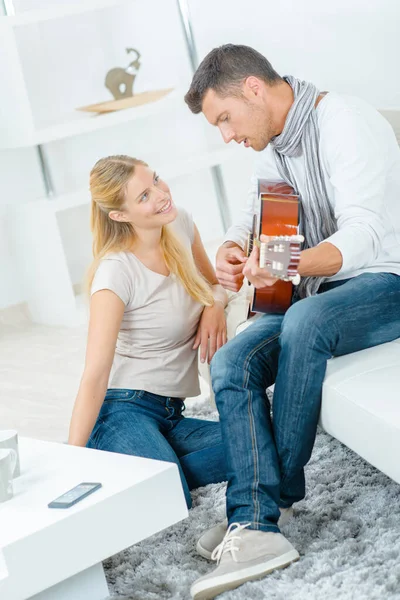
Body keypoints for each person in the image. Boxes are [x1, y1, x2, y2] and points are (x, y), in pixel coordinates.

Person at [184, 44, 400, 599]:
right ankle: (255, 522)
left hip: (384, 280)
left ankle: (268, 500)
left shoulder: (346, 121)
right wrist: (235, 246)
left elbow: (364, 235)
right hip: (317, 290)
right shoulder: (273, 144)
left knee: (304, 318)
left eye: (225, 118)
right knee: (233, 360)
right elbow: (253, 215)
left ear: (254, 88)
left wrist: (282, 263)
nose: (226, 135)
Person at [68, 155, 229, 509]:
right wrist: (70, 461)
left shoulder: (181, 223)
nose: (160, 194)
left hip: (172, 413)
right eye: (143, 196)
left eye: (155, 180)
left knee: (259, 444)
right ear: (120, 215)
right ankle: (116, 460)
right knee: (171, 498)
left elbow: (214, 285)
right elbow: (95, 374)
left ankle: (134, 470)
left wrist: (215, 305)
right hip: (123, 411)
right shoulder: (115, 273)